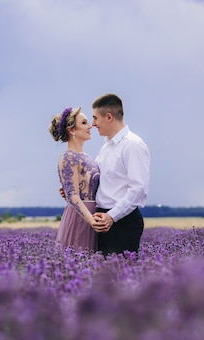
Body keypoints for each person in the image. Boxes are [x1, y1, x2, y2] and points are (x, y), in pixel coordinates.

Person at [89, 93, 150, 255]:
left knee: (120, 276)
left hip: (122, 222)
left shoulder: (132, 145)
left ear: (109, 117)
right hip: (103, 219)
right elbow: (102, 182)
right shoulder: (107, 146)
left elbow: (138, 189)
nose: (93, 124)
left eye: (95, 118)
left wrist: (112, 216)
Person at [49, 107, 100, 251]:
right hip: (81, 218)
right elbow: (72, 196)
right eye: (84, 123)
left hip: (93, 215)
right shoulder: (68, 157)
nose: (90, 126)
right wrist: (92, 221)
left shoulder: (87, 157)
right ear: (72, 130)